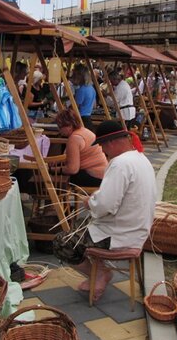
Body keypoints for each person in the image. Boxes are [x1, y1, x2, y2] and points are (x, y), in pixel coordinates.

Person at [57, 120, 156, 301]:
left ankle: (99, 274)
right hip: (138, 229)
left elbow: (106, 206)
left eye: (102, 146)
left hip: (120, 234)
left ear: (110, 142)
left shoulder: (119, 164)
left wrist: (90, 202)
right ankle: (100, 270)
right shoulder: (140, 158)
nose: (102, 151)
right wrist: (97, 200)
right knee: (80, 226)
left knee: (62, 242)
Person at [55, 108, 107, 188]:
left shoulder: (74, 138)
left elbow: (72, 169)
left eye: (60, 127)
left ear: (69, 125)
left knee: (57, 179)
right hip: (103, 174)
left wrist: (52, 169)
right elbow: (70, 156)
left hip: (94, 176)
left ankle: (55, 198)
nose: (59, 130)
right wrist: (56, 162)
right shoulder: (84, 131)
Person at [72, 63, 96, 131]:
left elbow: (75, 107)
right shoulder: (92, 88)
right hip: (88, 118)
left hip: (81, 119)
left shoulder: (81, 90)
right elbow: (94, 105)